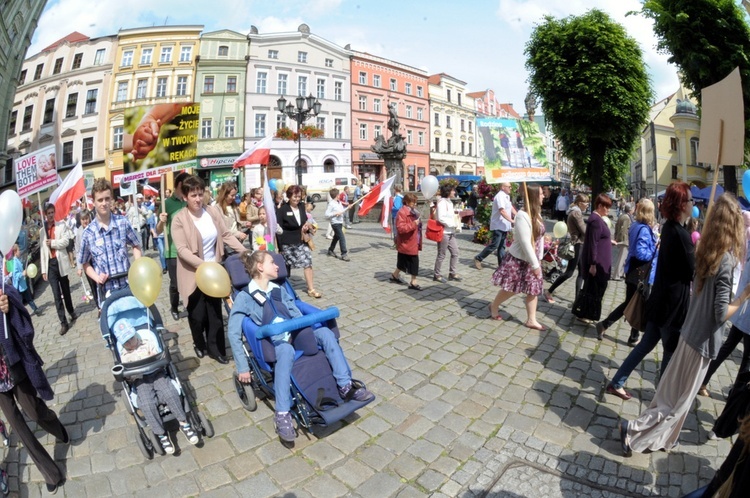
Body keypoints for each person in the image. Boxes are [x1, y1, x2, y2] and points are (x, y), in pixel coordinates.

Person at [620, 193, 750, 456]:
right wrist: (744, 295)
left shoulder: (706, 249)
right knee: (678, 401)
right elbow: (720, 313)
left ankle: (664, 439)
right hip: (701, 341)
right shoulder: (724, 259)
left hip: (690, 333)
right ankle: (633, 432)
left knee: (673, 395)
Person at [228, 251, 374, 443]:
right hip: (274, 343)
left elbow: (296, 315)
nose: (278, 266)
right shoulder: (245, 297)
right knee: (286, 350)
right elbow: (233, 332)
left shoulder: (279, 290)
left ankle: (345, 385)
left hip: (294, 334)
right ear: (260, 267)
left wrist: (309, 330)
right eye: (273, 262)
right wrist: (242, 367)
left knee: (325, 334)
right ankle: (282, 413)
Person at [604, 182, 695, 400]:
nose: (693, 203)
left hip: (660, 300)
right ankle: (662, 399)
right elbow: (692, 272)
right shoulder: (680, 235)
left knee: (645, 345)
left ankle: (617, 382)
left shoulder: (670, 229)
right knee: (670, 353)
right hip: (671, 306)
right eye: (690, 200)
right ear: (682, 204)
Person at [0, 285, 68, 494]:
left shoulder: (1, 288)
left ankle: (56, 426)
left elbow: (21, 314)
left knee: (34, 411)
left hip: (11, 366)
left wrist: (9, 306)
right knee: (18, 427)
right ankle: (50, 473)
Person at [172, 175, 246, 364]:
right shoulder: (179, 219)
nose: (197, 199)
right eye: (193, 195)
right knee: (198, 316)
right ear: (185, 197)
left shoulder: (212, 211)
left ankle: (217, 349)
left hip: (214, 272)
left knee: (214, 313)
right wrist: (203, 265)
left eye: (200, 194)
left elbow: (226, 234)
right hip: (193, 273)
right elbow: (181, 250)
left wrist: (245, 252)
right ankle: (199, 343)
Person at [113, 319, 198, 454]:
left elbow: (160, 357)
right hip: (140, 381)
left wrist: (154, 357)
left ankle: (184, 423)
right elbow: (126, 376)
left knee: (169, 392)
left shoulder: (147, 342)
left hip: (157, 373)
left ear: (135, 334)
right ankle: (161, 434)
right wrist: (127, 374)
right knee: (146, 403)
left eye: (131, 338)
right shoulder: (124, 355)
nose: (129, 343)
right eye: (125, 342)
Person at [596, 199, 656, 344]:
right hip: (640, 272)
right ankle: (608, 326)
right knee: (636, 304)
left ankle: (631, 335)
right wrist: (654, 250)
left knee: (634, 303)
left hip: (633, 270)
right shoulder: (643, 229)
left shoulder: (636, 225)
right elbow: (642, 253)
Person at [488, 184, 546, 330]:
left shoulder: (537, 214)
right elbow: (525, 242)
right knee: (512, 288)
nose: (543, 196)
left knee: (533, 289)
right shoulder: (522, 215)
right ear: (533, 196)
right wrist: (535, 265)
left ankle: (531, 319)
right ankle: (494, 306)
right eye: (540, 194)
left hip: (533, 259)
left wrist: (539, 259)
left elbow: (540, 238)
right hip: (520, 260)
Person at [79, 179, 143, 303]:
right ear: (93, 202)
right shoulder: (88, 234)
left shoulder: (122, 223)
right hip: (106, 292)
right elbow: (85, 263)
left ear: (111, 199)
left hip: (128, 286)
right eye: (100, 200)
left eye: (107, 199)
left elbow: (136, 245)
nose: (104, 203)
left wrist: (138, 266)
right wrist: (97, 278)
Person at [574, 193, 613, 325]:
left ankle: (586, 312)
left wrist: (609, 241)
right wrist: (593, 264)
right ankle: (585, 313)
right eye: (606, 207)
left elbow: (598, 239)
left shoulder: (598, 219)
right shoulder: (596, 220)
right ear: (600, 206)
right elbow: (593, 243)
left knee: (594, 288)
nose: (608, 210)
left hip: (601, 260)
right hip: (598, 261)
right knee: (594, 289)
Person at [276, 185, 321, 298]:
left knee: (308, 262)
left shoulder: (301, 206)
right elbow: (278, 230)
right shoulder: (282, 210)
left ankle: (311, 289)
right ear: (289, 196)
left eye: (299, 197)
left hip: (301, 241)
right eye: (294, 197)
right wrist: (280, 248)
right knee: (286, 267)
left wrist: (306, 226)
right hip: (288, 243)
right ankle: (284, 290)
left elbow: (304, 220)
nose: (297, 199)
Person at [156, 172, 190, 321]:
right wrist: (162, 221)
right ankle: (174, 307)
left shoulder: (188, 201)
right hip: (173, 250)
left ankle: (190, 304)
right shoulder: (167, 204)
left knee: (190, 281)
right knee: (175, 283)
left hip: (189, 249)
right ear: (180, 185)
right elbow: (157, 231)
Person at [40, 203, 77, 336]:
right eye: (48, 213)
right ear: (45, 214)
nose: (50, 215)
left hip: (60, 262)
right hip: (50, 265)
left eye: (52, 213)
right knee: (56, 295)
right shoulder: (42, 231)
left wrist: (53, 243)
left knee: (66, 290)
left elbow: (66, 241)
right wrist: (43, 270)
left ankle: (71, 311)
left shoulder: (60, 225)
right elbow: (42, 250)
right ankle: (63, 322)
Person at [544, 194, 589, 304]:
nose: (587, 205)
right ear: (579, 203)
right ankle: (548, 291)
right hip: (577, 245)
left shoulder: (575, 212)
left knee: (582, 273)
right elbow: (584, 230)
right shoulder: (576, 213)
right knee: (569, 273)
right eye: (586, 203)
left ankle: (577, 300)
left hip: (580, 244)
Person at [474, 182, 515, 270]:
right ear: (503, 187)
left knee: (502, 246)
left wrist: (518, 215)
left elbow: (511, 207)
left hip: (504, 225)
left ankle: (502, 265)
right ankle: (478, 258)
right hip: (498, 224)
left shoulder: (506, 196)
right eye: (509, 187)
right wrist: (512, 220)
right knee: (495, 245)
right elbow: (502, 211)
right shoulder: (500, 196)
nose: (510, 188)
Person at [390, 193, 422, 290]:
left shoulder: (413, 212)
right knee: (414, 260)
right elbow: (401, 228)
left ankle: (395, 275)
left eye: (415, 202)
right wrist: (413, 224)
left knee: (402, 260)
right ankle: (413, 281)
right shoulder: (402, 212)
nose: (414, 204)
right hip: (407, 241)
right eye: (413, 202)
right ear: (407, 202)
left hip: (412, 240)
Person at [433, 185, 460, 283]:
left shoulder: (450, 202)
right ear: (448, 192)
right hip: (444, 232)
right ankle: (437, 274)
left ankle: (452, 273)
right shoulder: (442, 203)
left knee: (455, 252)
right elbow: (441, 218)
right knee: (441, 254)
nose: (454, 192)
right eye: (453, 191)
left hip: (451, 232)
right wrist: (452, 224)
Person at [10, 244, 39, 315]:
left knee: (29, 298)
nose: (20, 251)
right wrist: (22, 274)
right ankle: (21, 314)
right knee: (20, 302)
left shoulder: (18, 260)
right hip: (18, 287)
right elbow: (15, 275)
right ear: (15, 252)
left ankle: (35, 309)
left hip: (23, 285)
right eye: (18, 250)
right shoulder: (14, 262)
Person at [325, 188, 350, 262]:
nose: (339, 195)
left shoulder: (339, 202)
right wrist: (335, 214)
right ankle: (344, 254)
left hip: (340, 222)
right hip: (335, 223)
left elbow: (342, 211)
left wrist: (348, 208)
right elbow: (326, 214)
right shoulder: (331, 204)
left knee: (336, 237)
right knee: (342, 237)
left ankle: (330, 250)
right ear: (336, 195)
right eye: (338, 194)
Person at [611, 203, 633, 281]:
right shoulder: (627, 218)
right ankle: (616, 275)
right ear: (630, 210)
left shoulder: (622, 216)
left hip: (622, 239)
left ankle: (620, 273)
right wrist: (623, 240)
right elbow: (624, 230)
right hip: (625, 241)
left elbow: (617, 226)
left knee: (623, 258)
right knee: (622, 258)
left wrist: (616, 236)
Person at [149, 209, 166, 274]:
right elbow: (151, 226)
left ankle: (167, 265)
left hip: (165, 236)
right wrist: (154, 233)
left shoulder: (163, 215)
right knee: (161, 252)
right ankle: (164, 267)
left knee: (165, 251)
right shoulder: (153, 217)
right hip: (158, 236)